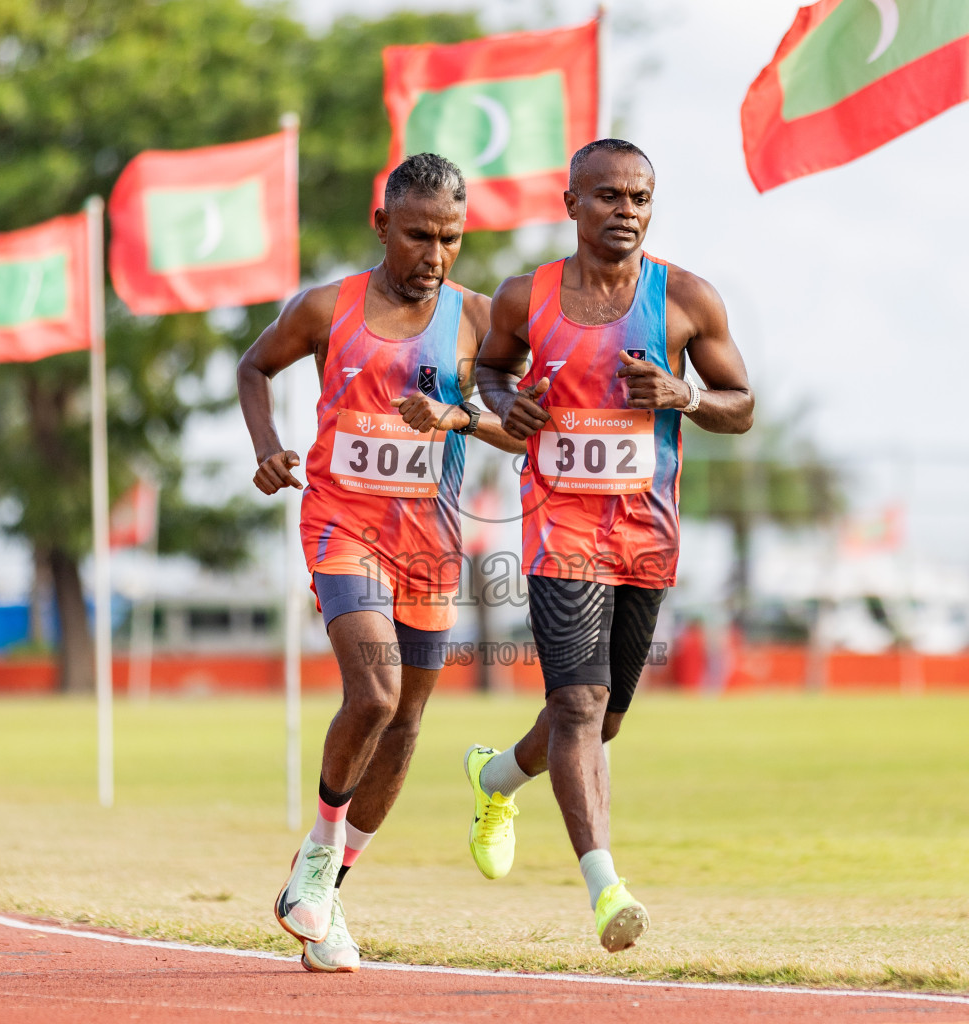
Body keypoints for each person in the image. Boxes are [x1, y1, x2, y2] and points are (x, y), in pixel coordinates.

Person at [466, 139, 755, 952]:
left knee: (605, 720)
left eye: (639, 198)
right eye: (608, 197)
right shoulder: (527, 296)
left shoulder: (687, 298)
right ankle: (605, 888)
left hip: (645, 534)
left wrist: (683, 395)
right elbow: (491, 371)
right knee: (577, 706)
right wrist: (510, 406)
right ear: (571, 205)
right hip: (559, 527)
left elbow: (743, 403)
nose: (625, 211)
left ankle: (493, 779)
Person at [237, 153, 523, 972]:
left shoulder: (476, 321)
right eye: (419, 236)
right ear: (381, 226)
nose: (434, 256)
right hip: (342, 526)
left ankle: (323, 893)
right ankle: (320, 856)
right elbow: (253, 366)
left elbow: (519, 425)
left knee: (405, 726)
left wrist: (457, 415)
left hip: (430, 545)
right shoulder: (328, 308)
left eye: (451, 239)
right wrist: (267, 448)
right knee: (375, 691)